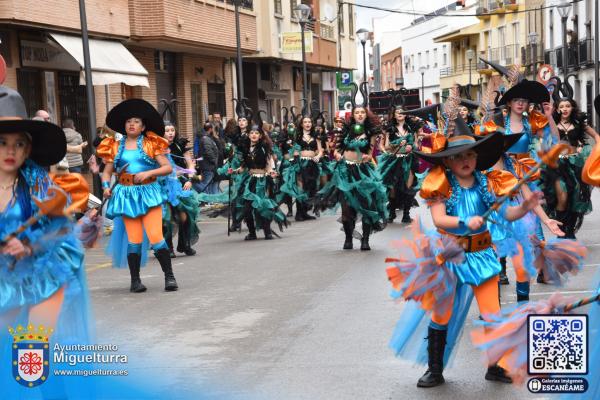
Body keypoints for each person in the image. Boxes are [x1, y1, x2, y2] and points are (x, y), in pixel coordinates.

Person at [390, 119, 543, 388]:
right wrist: (464, 222)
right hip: (452, 256)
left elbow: (506, 213)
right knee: (441, 314)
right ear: (448, 161)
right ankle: (434, 369)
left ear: (477, 157)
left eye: (470, 155)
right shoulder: (442, 183)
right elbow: (439, 219)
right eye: (458, 156)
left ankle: (494, 366)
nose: (465, 160)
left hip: (483, 255)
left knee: (492, 314)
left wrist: (525, 207)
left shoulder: (486, 182)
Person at [0, 86, 93, 397]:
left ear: (28, 149)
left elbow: (63, 230)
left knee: (32, 353)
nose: (9, 151)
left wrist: (30, 245)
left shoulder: (39, 184)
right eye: (1, 142)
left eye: (18, 143)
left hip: (42, 275)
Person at [98, 99, 178, 292]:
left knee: (156, 236)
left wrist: (149, 173)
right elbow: (107, 172)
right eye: (128, 121)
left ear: (143, 127)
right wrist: (105, 186)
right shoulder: (115, 146)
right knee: (134, 240)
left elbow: (167, 167)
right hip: (126, 195)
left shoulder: (151, 144)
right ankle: (135, 281)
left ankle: (169, 277)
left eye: (136, 121)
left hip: (149, 193)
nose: (131, 124)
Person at [318, 83, 388, 250]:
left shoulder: (371, 132)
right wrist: (337, 154)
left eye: (362, 112)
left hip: (363, 172)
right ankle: (348, 237)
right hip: (345, 171)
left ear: (366, 114)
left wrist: (367, 156)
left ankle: (365, 240)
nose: (360, 114)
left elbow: (370, 152)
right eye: (357, 112)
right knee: (347, 208)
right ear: (353, 115)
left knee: (366, 206)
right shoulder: (347, 131)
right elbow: (337, 148)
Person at [541, 98, 599, 239]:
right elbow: (543, 140)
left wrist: (594, 152)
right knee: (562, 195)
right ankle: (561, 230)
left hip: (576, 163)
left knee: (576, 196)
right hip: (557, 165)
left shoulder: (579, 124)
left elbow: (597, 137)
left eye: (568, 106)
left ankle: (570, 229)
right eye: (562, 106)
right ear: (558, 109)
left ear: (572, 108)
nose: (565, 109)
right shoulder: (551, 123)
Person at [229, 123, 286, 240]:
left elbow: (269, 165)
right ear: (248, 135)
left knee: (263, 207)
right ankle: (252, 233)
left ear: (260, 136)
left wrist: (271, 172)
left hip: (263, 181)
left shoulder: (265, 148)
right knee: (247, 208)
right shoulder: (245, 149)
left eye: (256, 133)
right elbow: (244, 167)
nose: (253, 135)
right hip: (250, 182)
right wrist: (234, 171)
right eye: (251, 133)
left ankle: (267, 232)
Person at [161, 122, 200, 257]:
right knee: (167, 217)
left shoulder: (179, 145)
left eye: (172, 130)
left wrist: (189, 179)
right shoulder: (156, 147)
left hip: (180, 184)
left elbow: (190, 164)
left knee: (185, 216)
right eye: (167, 130)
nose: (171, 133)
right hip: (163, 185)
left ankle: (184, 244)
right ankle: (168, 248)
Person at [378, 106, 419, 223]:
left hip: (409, 160)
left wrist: (413, 147)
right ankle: (391, 212)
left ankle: (406, 214)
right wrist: (397, 145)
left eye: (402, 112)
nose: (400, 113)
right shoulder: (389, 129)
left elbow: (417, 145)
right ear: (394, 115)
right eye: (397, 112)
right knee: (393, 188)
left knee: (408, 187)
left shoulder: (411, 128)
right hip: (394, 161)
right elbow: (385, 146)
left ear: (406, 114)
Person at [193, 122, 219, 195]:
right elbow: (208, 152)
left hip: (207, 165)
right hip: (208, 166)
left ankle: (210, 200)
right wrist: (214, 161)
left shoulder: (204, 137)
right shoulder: (206, 138)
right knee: (204, 185)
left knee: (209, 183)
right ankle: (193, 189)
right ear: (210, 129)